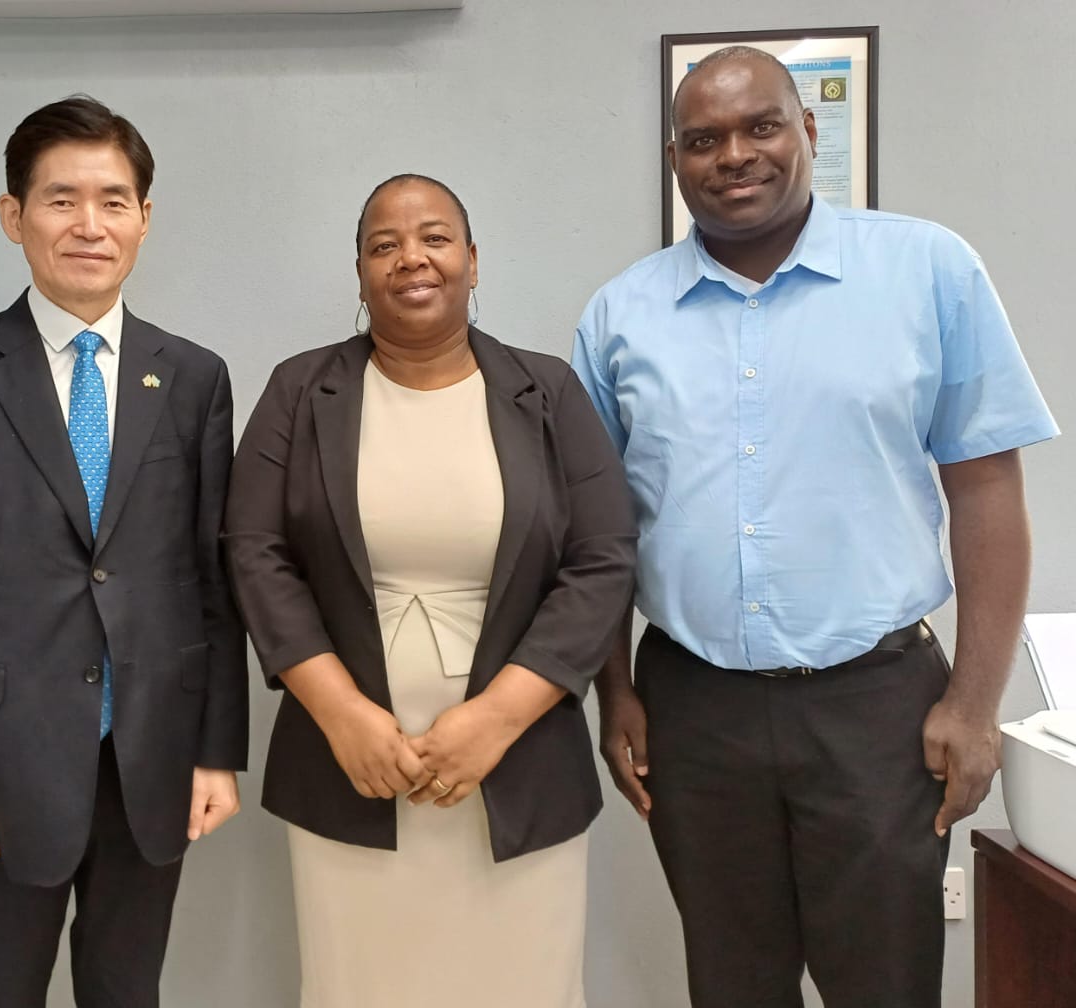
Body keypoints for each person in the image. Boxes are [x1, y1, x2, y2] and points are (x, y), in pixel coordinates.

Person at [572, 46, 1059, 1008]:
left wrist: (974, 704)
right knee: (731, 979)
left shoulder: (928, 269)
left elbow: (988, 494)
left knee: (882, 980)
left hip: (877, 709)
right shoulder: (620, 316)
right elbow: (601, 528)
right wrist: (615, 687)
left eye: (761, 127)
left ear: (808, 131)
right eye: (704, 140)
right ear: (677, 160)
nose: (735, 156)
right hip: (691, 707)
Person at [224, 173, 636, 1008]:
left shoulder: (548, 392)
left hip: (517, 764)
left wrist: (494, 721)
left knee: (521, 986)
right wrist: (343, 717)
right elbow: (255, 553)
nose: (411, 257)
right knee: (360, 986)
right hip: (350, 768)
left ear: (473, 261)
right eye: (384, 244)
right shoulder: (300, 392)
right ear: (362, 272)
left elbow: (604, 561)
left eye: (436, 238)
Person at [0, 95, 247, 1008]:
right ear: (14, 216)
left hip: (150, 754)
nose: (90, 225)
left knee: (129, 992)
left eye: (115, 201)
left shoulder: (193, 377)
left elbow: (213, 580)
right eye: (61, 199)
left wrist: (216, 752)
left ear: (145, 219)